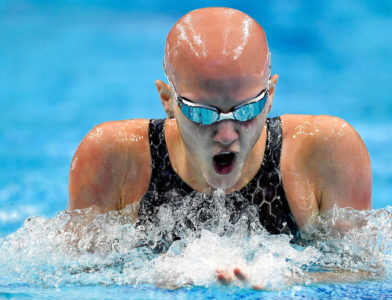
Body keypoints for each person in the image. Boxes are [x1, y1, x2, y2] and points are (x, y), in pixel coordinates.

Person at [68, 7, 372, 285]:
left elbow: (365, 276)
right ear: (167, 100)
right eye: (202, 112)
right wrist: (156, 282)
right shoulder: (112, 158)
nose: (226, 134)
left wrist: (285, 280)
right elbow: (71, 280)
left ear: (270, 95)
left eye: (246, 110)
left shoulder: (325, 153)